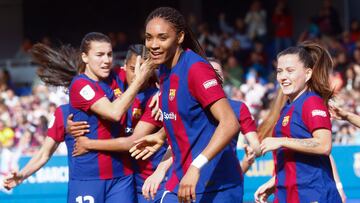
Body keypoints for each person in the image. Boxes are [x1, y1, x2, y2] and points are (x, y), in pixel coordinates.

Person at [22, 32, 154, 202]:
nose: (106, 60)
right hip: (88, 178)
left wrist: (160, 92)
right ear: (84, 57)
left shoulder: (116, 77)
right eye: (99, 55)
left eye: (109, 54)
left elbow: (146, 75)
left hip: (122, 177)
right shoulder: (79, 85)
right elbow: (114, 113)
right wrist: (22, 175)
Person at [142, 7, 243, 203]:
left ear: (180, 37)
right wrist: (161, 135)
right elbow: (188, 114)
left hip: (217, 185)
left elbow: (230, 123)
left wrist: (196, 167)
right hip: (184, 179)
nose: (153, 44)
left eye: (162, 38)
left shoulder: (196, 68)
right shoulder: (164, 69)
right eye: (149, 37)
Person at [68, 44, 169, 203]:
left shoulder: (154, 100)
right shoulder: (115, 79)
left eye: (143, 69)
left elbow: (132, 142)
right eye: (132, 68)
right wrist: (71, 121)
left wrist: (89, 144)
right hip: (129, 180)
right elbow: (87, 90)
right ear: (123, 68)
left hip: (152, 181)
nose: (137, 75)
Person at [254, 41, 342, 203]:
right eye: (279, 71)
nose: (283, 77)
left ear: (308, 74)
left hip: (312, 195)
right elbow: (295, 158)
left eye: (290, 71)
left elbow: (324, 145)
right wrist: (275, 182)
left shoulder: (311, 102)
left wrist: (281, 141)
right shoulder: (287, 108)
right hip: (287, 195)